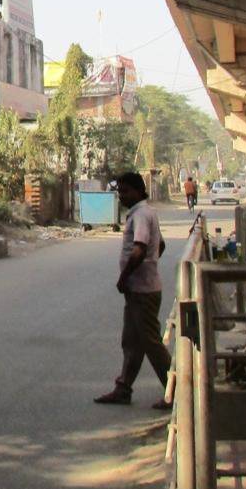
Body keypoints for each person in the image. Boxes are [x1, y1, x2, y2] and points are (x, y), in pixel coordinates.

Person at [95, 171, 173, 409]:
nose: (121, 195)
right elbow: (159, 245)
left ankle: (176, 391)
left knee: (151, 343)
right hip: (141, 287)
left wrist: (125, 276)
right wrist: (150, 264)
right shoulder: (147, 213)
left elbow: (139, 249)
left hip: (142, 291)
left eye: (125, 191)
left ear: (138, 191)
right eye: (119, 191)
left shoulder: (140, 215)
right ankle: (123, 388)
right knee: (132, 341)